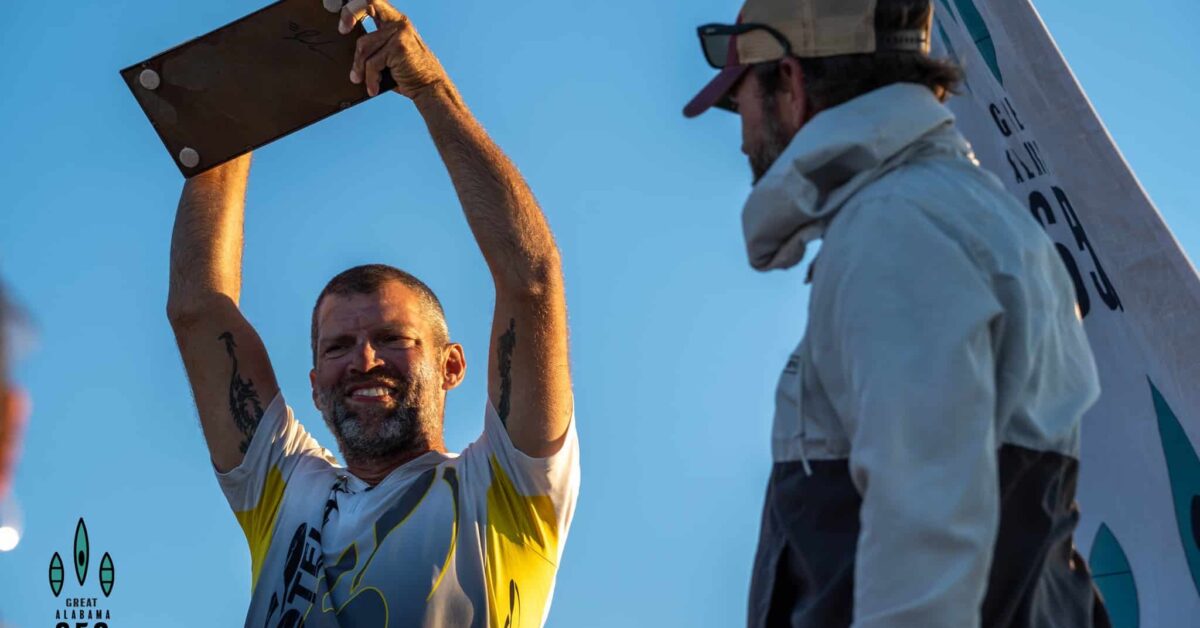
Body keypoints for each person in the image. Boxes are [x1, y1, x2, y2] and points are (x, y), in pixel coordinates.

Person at [684, 1, 1109, 626]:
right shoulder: (965, 216)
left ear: (792, 84)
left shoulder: (896, 228)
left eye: (738, 98)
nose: (742, 131)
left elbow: (925, 537)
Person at [166, 1, 578, 625]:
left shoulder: (503, 490)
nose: (363, 359)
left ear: (452, 365)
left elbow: (532, 285)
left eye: (392, 337)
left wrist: (431, 89)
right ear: (313, 382)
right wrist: (234, 109)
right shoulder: (285, 488)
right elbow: (199, 311)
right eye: (337, 347)